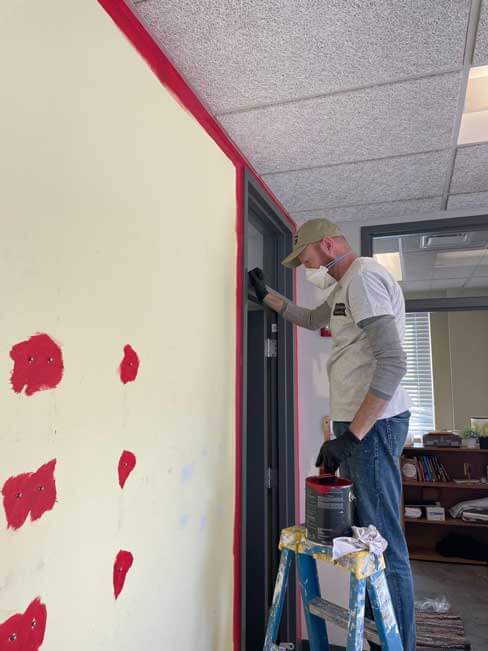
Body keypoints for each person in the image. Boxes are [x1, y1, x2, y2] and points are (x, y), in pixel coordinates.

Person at [249, 218, 415, 651]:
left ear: (326, 245)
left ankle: (402, 643)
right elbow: (309, 317)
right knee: (367, 537)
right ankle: (383, 639)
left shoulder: (362, 280)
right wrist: (268, 297)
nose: (306, 269)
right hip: (360, 426)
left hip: (373, 428)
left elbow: (394, 362)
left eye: (306, 260)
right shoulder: (342, 287)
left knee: (382, 542)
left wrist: (352, 437)